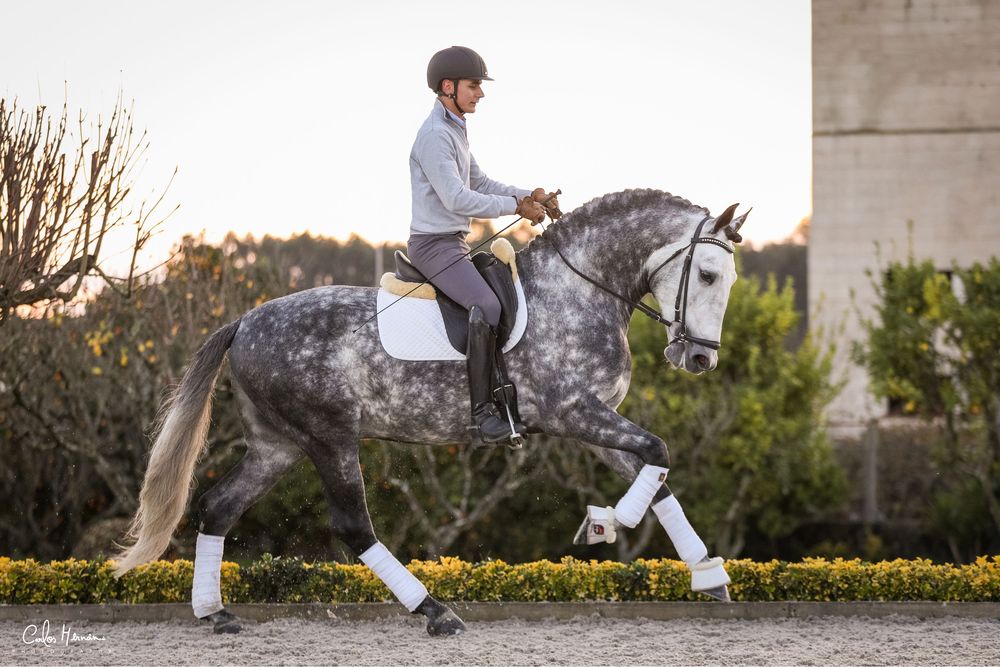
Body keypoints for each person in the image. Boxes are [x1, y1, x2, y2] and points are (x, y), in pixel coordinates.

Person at [407, 45, 557, 444]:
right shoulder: (435, 136)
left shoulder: (455, 128)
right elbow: (457, 198)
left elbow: (481, 184)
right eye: (474, 86)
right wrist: (516, 207)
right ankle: (482, 415)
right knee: (487, 305)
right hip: (433, 246)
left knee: (505, 293)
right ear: (448, 86)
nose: (481, 93)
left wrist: (531, 195)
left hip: (453, 243)